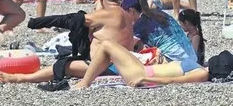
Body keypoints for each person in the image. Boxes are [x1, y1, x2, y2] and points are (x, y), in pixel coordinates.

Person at [0, 0, 134, 86]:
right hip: (126, 64)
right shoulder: (126, 15)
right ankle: (32, 75)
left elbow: (68, 20)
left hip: (107, 67)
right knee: (69, 58)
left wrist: (36, 22)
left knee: (62, 65)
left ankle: (20, 78)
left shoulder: (105, 14)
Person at [72, 39, 208, 89]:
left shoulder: (202, 73)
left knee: (107, 44)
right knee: (108, 48)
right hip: (143, 70)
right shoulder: (199, 68)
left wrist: (144, 79)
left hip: (141, 74)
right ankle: (87, 77)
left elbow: (172, 80)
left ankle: (84, 83)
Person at [122, 0, 198, 63]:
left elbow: (128, 47)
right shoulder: (158, 13)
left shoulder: (140, 23)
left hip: (176, 60)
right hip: (191, 56)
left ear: (131, 11)